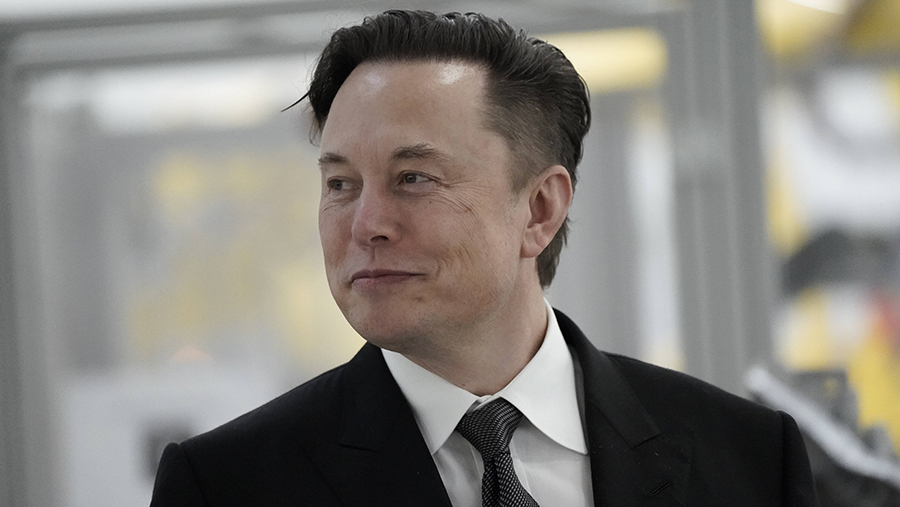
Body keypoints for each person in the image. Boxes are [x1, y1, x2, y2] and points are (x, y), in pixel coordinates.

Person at [149, 10, 817, 507]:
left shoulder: (752, 458)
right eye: (341, 184)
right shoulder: (226, 486)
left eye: (413, 177)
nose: (366, 224)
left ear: (540, 209)